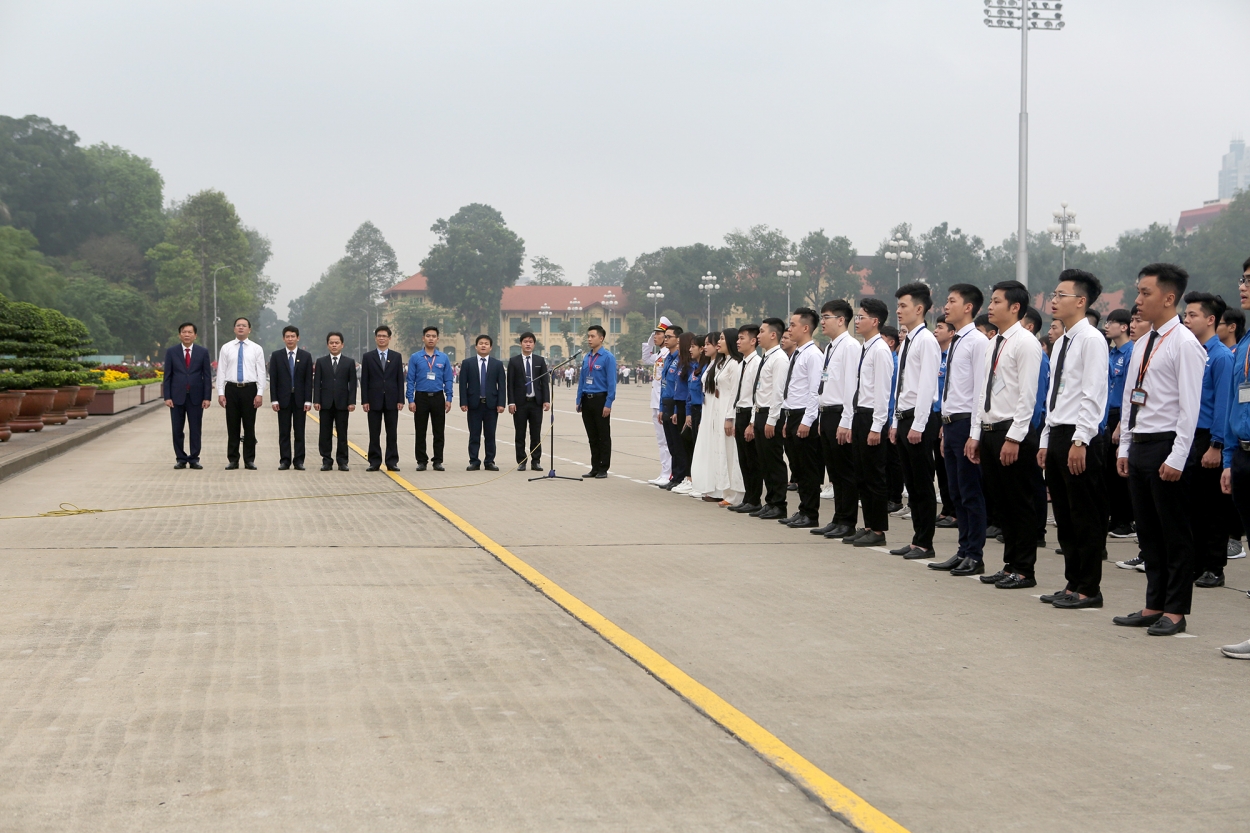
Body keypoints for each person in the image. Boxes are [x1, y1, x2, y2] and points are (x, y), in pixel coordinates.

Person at [1114, 264, 1207, 637]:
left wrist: (1178, 456)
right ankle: (1153, 603)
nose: (1138, 301)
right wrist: (1124, 445)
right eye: (1138, 292)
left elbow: (1190, 406)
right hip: (1139, 443)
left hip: (1167, 445)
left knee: (1174, 533)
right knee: (1148, 532)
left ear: (1169, 298)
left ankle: (1175, 609)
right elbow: (1129, 399)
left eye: (1146, 293)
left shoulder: (1184, 343)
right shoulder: (1142, 343)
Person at [1037, 270, 1110, 609]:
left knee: (1084, 516)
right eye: (1054, 293)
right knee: (1064, 517)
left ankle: (1089, 588)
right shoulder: (1062, 341)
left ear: (1081, 301)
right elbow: (1055, 394)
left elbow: (1093, 394)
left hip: (1080, 436)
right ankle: (1072, 582)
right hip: (1058, 433)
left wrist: (1080, 440)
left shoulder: (1091, 339)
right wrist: (1046, 437)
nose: (1054, 300)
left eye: (1061, 294)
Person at [966, 281, 1044, 589]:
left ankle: (1024, 569)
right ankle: (1010, 564)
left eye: (997, 301)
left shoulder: (1025, 342)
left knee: (1020, 503)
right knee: (1002, 506)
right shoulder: (993, 343)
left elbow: (1028, 396)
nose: (991, 306)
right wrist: (976, 434)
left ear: (1015, 307)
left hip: (1013, 432)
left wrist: (1015, 437)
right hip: (989, 431)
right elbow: (981, 393)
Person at [930, 285, 990, 577]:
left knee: (970, 492)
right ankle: (963, 549)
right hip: (951, 424)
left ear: (968, 307)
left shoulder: (977, 342)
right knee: (955, 491)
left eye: (952, 301)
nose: (946, 306)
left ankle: (974, 554)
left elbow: (980, 390)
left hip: (967, 423)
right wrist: (944, 426)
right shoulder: (956, 341)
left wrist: (974, 434)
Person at [1181, 292, 1234, 589]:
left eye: (1193, 315)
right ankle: (1197, 563)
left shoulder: (1221, 357)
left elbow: (1224, 404)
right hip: (1188, 437)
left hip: (1208, 439)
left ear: (1211, 320)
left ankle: (1214, 566)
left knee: (1212, 507)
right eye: (1186, 315)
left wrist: (1216, 445)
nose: (1186, 320)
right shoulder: (1193, 352)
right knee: (1192, 506)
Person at [888, 284, 942, 558]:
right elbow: (902, 385)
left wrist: (918, 424)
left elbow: (926, 386)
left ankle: (925, 542)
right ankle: (916, 538)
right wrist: (896, 422)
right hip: (905, 418)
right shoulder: (907, 341)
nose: (898, 311)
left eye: (903, 306)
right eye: (897, 306)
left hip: (920, 420)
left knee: (922, 484)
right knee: (912, 483)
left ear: (919, 309)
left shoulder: (927, 341)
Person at [842, 298, 893, 546]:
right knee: (861, 474)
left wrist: (877, 426)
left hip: (872, 416)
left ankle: (879, 530)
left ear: (875, 321)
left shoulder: (881, 350)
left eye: (861, 317)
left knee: (874, 477)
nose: (857, 321)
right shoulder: (866, 347)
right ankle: (869, 524)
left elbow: (883, 392)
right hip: (860, 415)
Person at [1219, 256, 1250, 659]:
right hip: (1243, 455)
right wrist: (1229, 457)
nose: (1244, 286)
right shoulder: (1244, 343)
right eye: (1243, 279)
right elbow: (1234, 404)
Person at [812, 300, 859, 539]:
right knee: (834, 471)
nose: (822, 321)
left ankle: (848, 521)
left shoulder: (850, 346)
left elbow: (851, 386)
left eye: (826, 316)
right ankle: (838, 517)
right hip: (827, 412)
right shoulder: (831, 347)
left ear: (841, 320)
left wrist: (846, 420)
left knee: (845, 471)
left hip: (841, 412)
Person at [777, 308, 824, 529]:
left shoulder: (813, 354)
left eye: (793, 325)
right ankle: (803, 509)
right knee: (797, 468)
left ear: (806, 328)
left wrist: (807, 420)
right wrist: (788, 419)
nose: (789, 329)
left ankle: (811, 513)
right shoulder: (798, 353)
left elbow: (816, 391)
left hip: (805, 416)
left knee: (808, 469)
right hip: (793, 414)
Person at [691, 328, 744, 505]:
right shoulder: (722, 363)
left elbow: (734, 393)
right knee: (719, 452)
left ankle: (734, 494)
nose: (718, 342)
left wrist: (729, 417)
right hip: (714, 411)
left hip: (726, 413)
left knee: (729, 453)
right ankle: (720, 489)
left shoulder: (735, 364)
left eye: (721, 339)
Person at [216, 316, 268, 470]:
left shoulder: (256, 348)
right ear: (234, 329)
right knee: (232, 426)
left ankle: (249, 459)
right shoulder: (226, 348)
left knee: (249, 426)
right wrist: (220, 392)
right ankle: (233, 459)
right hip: (231, 389)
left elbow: (261, 373)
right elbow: (221, 371)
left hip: (250, 389)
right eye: (238, 325)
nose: (241, 328)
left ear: (249, 329)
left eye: (244, 325)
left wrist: (259, 393)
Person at [750, 318, 789, 519]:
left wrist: (772, 420)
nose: (758, 336)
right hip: (760, 412)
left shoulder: (779, 358)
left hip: (770, 414)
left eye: (762, 331)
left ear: (773, 335)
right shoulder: (766, 357)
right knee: (764, 461)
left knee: (774, 461)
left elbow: (778, 392)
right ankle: (770, 501)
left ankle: (779, 504)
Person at [1104, 308, 1136, 538]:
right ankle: (1115, 518)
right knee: (1108, 471)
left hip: (1121, 415)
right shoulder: (1111, 353)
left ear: (1124, 326)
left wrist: (1121, 425)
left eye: (1111, 322)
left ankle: (1124, 520)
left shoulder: (1132, 352)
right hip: (1108, 414)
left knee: (1120, 472)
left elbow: (1130, 391)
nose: (1107, 326)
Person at [162, 322, 213, 470]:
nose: (187, 335)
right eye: (184, 332)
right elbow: (168, 376)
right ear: (179, 335)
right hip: (176, 397)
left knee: (195, 429)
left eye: (190, 332)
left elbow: (207, 376)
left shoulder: (202, 352)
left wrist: (207, 397)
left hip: (196, 397)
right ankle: (181, 458)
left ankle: (194, 458)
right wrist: (167, 396)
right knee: (177, 429)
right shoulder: (172, 352)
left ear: (195, 335)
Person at [406, 326, 454, 472]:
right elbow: (410, 380)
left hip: (438, 397)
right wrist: (410, 399)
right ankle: (421, 460)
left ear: (438, 339)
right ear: (423, 338)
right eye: (428, 336)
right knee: (420, 431)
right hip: (421, 398)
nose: (431, 338)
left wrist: (449, 397)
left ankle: (438, 460)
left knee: (438, 431)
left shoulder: (443, 358)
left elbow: (448, 379)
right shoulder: (415, 357)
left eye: (433, 336)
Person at [360, 324, 404, 472]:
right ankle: (374, 461)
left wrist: (400, 399)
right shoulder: (368, 357)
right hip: (374, 400)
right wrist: (364, 400)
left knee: (392, 433)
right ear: (375, 338)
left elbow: (399, 380)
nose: (381, 338)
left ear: (389, 338)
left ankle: (392, 461)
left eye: (384, 336)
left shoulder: (396, 357)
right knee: (374, 432)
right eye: (379, 336)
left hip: (392, 400)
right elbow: (364, 380)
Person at [268, 325, 313, 471]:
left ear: (298, 338)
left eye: (293, 336)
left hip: (300, 400)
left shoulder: (306, 356)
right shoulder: (276, 356)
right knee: (284, 431)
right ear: (283, 338)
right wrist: (274, 399)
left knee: (299, 431)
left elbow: (308, 381)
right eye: (287, 336)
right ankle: (285, 460)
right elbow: (273, 379)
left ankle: (299, 460)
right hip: (283, 400)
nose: (290, 339)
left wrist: (308, 400)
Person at [459, 334, 505, 471]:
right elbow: (463, 384)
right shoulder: (468, 363)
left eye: (486, 343)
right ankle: (474, 461)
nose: (483, 345)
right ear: (476, 346)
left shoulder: (497, 364)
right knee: (474, 434)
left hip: (491, 405)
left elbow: (502, 385)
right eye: (481, 343)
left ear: (491, 347)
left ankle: (489, 461)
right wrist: (463, 402)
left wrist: (501, 403)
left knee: (490, 435)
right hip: (474, 404)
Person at [729, 325, 763, 514]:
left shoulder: (757, 363)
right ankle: (748, 497)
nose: (738, 342)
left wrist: (752, 422)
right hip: (740, 412)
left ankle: (755, 499)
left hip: (750, 412)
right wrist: (734, 419)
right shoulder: (742, 363)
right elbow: (737, 393)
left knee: (752, 460)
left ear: (753, 341)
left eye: (742, 338)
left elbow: (756, 394)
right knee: (743, 459)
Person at [312, 331, 356, 471]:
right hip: (325, 403)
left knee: (342, 433)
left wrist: (352, 402)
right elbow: (317, 382)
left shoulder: (349, 362)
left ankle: (342, 461)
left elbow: (353, 384)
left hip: (343, 403)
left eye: (337, 342)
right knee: (325, 433)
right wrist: (316, 400)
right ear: (327, 345)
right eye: (331, 343)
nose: (334, 345)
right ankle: (327, 460)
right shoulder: (321, 362)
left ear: (342, 345)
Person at [577, 324, 617, 478]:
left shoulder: (608, 357)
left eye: (592, 336)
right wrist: (579, 399)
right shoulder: (587, 357)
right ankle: (594, 467)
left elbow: (612, 383)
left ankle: (603, 468)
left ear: (601, 338)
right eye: (588, 336)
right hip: (587, 400)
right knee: (592, 436)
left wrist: (608, 403)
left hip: (600, 400)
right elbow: (581, 380)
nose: (589, 339)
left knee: (603, 435)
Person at [507, 331, 550, 472]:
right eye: (525, 341)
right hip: (520, 404)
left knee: (535, 433)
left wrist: (546, 400)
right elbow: (510, 384)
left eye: (530, 341)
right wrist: (511, 402)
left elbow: (545, 382)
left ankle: (536, 461)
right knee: (520, 433)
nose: (528, 344)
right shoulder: (514, 361)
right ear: (521, 344)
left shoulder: (539, 361)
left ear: (534, 344)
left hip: (536, 403)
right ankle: (522, 461)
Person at [932, 316, 957, 529]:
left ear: (951, 332)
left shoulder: (952, 356)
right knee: (940, 467)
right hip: (933, 415)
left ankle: (955, 511)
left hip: (947, 416)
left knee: (949, 467)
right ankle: (947, 508)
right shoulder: (936, 355)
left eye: (940, 327)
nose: (936, 330)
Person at [644, 318, 673, 485]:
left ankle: (668, 473)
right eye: (654, 334)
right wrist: (650, 340)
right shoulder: (660, 354)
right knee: (661, 440)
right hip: (656, 401)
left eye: (658, 334)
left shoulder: (668, 354)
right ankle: (664, 471)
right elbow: (646, 357)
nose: (655, 337)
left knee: (667, 441)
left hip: (664, 401)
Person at [658, 326, 688, 490]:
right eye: (665, 336)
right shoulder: (668, 358)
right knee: (671, 443)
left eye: (669, 336)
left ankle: (680, 476)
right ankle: (674, 475)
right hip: (667, 403)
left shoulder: (681, 359)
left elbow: (679, 386)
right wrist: (662, 408)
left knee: (678, 443)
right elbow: (664, 386)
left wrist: (675, 409)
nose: (666, 339)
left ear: (678, 339)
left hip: (677, 404)